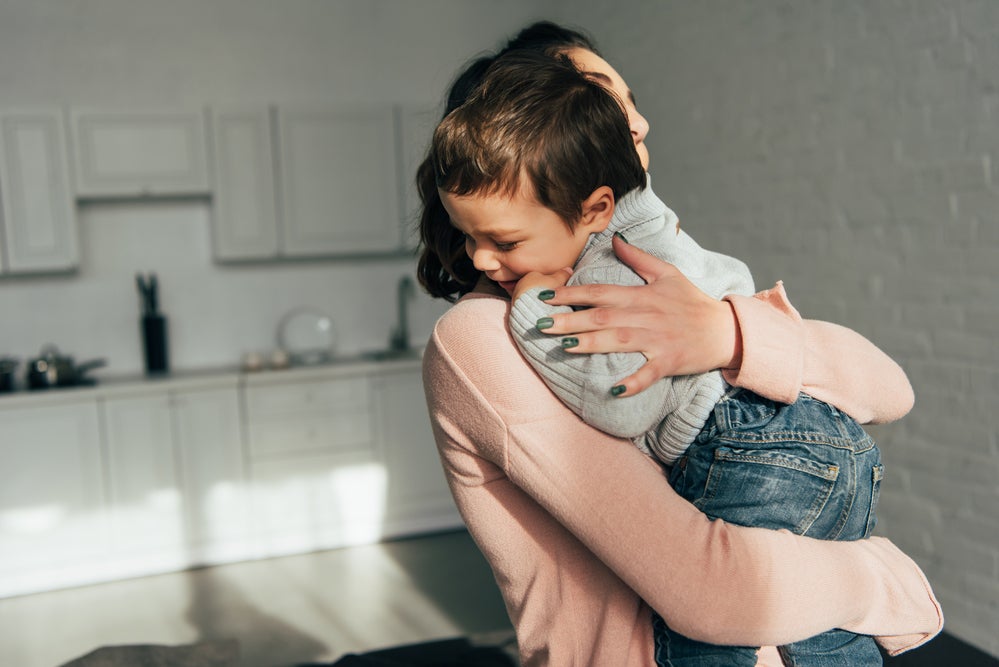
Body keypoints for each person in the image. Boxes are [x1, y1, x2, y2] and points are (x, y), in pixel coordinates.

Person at [418, 21, 942, 667]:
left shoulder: (649, 267)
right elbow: (711, 592)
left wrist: (722, 332)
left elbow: (888, 389)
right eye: (603, 104)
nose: (636, 125)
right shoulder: (480, 337)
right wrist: (877, 578)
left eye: (629, 103)